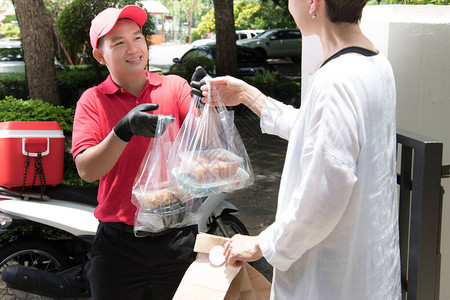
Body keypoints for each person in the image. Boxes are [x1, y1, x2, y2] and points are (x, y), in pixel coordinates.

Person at [197, 0, 401, 299]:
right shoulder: (373, 64)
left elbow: (322, 197)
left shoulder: (336, 81)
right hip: (366, 271)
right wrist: (247, 95)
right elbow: (316, 133)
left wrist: (262, 243)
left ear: (314, 3)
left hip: (331, 281)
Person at [71, 5, 196, 300]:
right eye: (118, 42)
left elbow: (204, 139)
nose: (133, 48)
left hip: (176, 238)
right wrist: (122, 131)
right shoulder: (92, 101)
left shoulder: (174, 87)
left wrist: (208, 102)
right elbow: (87, 170)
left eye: (137, 37)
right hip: (118, 246)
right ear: (100, 55)